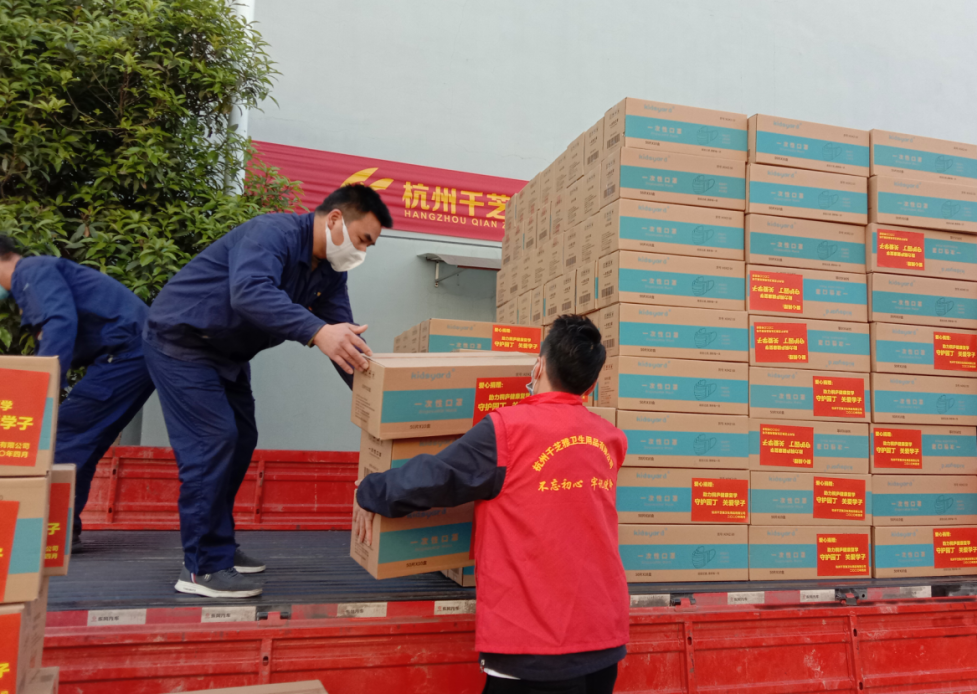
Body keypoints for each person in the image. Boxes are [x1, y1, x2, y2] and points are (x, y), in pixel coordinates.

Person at [355, 314, 629, 694]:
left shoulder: (507, 429)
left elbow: (436, 478)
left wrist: (369, 490)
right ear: (592, 385)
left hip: (535, 647)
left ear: (539, 366)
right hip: (605, 637)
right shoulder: (610, 438)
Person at [143, 183, 392, 599]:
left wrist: (382, 399)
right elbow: (250, 291)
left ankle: (219, 544)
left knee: (241, 439)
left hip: (227, 354)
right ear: (335, 219)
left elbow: (343, 340)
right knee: (213, 441)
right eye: (363, 239)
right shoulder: (271, 234)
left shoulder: (330, 273)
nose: (362, 251)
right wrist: (317, 331)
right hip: (182, 342)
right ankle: (203, 567)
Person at [0, 235, 156, 551]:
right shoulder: (38, 273)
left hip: (125, 356)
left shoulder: (30, 271)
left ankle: (45, 534)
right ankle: (61, 531)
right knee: (84, 441)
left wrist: (41, 389)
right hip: (133, 356)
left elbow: (59, 322)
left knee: (64, 436)